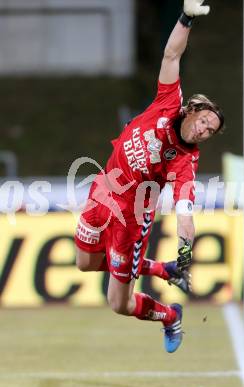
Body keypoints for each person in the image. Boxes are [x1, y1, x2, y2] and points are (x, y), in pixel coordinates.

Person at [74, 0, 224, 353]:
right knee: (84, 263)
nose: (205, 129)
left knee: (119, 304)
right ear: (194, 110)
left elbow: (185, 212)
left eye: (211, 130)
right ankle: (161, 269)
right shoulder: (168, 102)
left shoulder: (184, 160)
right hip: (104, 191)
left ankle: (170, 315)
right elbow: (171, 56)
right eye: (205, 120)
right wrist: (185, 18)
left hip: (130, 220)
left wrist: (186, 245)